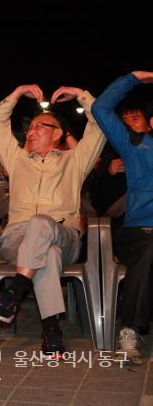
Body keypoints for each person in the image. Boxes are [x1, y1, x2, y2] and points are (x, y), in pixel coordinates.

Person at [0, 84, 106, 358]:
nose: (32, 130)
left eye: (41, 126)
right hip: (17, 237)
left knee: (43, 225)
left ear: (58, 133)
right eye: (30, 127)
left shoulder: (75, 160)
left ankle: (14, 292)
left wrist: (81, 94)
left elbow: (99, 125)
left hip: (65, 235)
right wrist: (15, 93)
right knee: (47, 253)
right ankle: (51, 330)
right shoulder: (16, 159)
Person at [91, 71, 153, 364]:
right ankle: (130, 329)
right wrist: (135, 78)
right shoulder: (136, 144)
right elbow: (100, 108)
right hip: (138, 229)